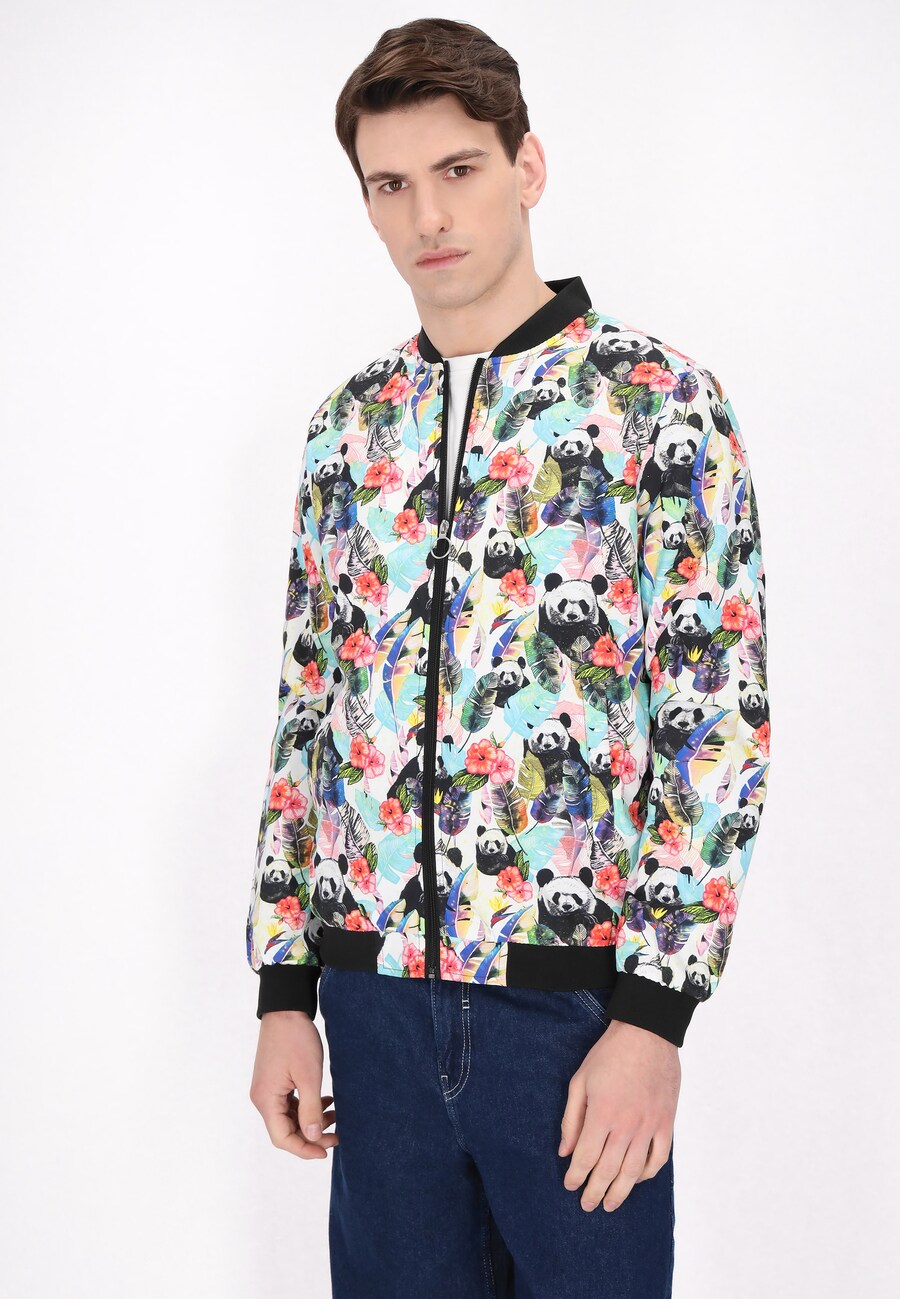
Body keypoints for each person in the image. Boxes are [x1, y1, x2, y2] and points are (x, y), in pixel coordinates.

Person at [246, 17, 771, 1298]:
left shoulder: (658, 403)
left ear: (527, 166)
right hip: (371, 1007)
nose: (427, 214)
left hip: (572, 1019)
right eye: (390, 183)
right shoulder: (348, 429)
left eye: (458, 170)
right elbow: (309, 709)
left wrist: (652, 1019)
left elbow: (715, 724)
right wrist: (285, 992)